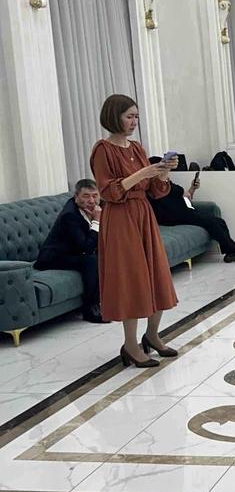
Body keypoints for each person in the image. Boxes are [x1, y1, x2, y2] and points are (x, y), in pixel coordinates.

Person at [90, 95, 180, 368]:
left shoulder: (137, 148)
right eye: (129, 116)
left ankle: (152, 335)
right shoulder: (103, 150)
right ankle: (130, 345)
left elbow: (156, 191)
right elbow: (108, 191)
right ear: (113, 116)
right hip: (120, 218)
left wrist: (162, 173)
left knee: (157, 274)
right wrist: (143, 174)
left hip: (143, 215)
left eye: (136, 117)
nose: (134, 122)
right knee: (132, 279)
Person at [148, 164, 235, 262]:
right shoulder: (155, 188)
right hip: (173, 216)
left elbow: (186, 196)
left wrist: (193, 188)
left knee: (219, 221)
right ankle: (234, 251)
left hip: (184, 211)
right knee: (212, 222)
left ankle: (232, 252)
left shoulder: (167, 183)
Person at [33, 179, 103, 323]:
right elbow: (86, 247)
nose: (91, 200)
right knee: (91, 260)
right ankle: (91, 309)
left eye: (95, 195)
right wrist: (96, 221)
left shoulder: (99, 207)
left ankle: (113, 300)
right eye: (86, 196)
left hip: (74, 252)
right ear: (76, 197)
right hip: (52, 258)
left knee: (108, 255)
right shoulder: (70, 215)